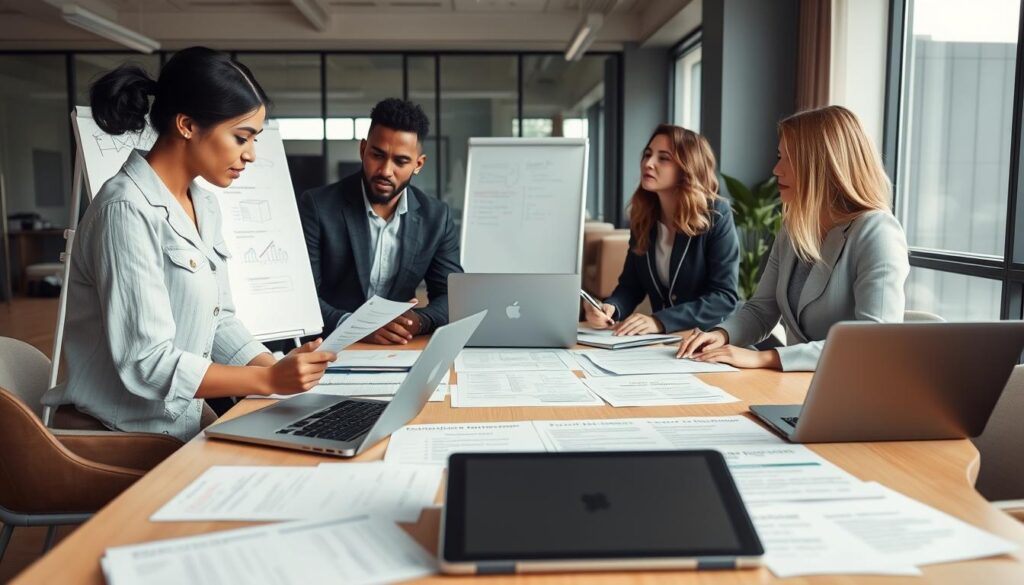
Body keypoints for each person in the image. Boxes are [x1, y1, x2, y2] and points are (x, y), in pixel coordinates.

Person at [42, 47, 335, 441]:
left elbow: (220, 321)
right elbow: (146, 362)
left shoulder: (204, 204)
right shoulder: (125, 209)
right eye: (240, 137)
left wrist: (274, 366)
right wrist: (266, 379)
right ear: (186, 125)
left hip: (176, 426)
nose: (250, 154)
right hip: (120, 435)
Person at [677, 105, 910, 371]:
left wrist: (766, 357)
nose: (776, 169)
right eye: (779, 156)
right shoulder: (793, 228)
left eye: (790, 159)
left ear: (824, 165)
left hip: (851, 389)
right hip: (796, 387)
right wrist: (722, 335)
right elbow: (761, 311)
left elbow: (873, 342)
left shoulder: (876, 231)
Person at [299, 98, 462, 344]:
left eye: (401, 161)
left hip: (398, 347)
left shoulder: (436, 217)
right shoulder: (318, 206)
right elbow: (303, 296)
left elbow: (452, 296)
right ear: (363, 149)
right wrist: (356, 326)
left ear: (418, 164)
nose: (386, 170)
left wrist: (416, 322)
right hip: (330, 346)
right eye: (378, 155)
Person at [582, 124, 740, 335]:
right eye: (647, 155)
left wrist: (659, 321)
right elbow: (630, 286)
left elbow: (723, 297)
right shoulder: (643, 218)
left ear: (687, 168)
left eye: (663, 158)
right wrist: (612, 308)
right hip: (664, 343)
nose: (649, 163)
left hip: (711, 338)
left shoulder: (716, 215)